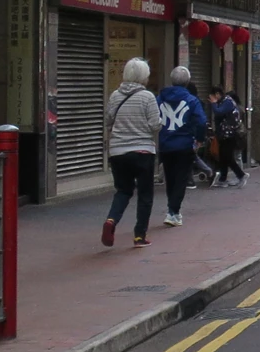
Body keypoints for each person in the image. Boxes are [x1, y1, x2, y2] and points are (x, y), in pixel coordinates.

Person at [102, 59, 160, 248]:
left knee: (123, 190)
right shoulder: (147, 97)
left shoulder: (115, 96)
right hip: (143, 151)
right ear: (144, 76)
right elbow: (154, 125)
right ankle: (139, 236)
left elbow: (108, 121)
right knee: (145, 194)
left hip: (118, 152)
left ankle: (111, 220)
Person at [156, 66, 209, 227]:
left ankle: (171, 209)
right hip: (184, 144)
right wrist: (199, 139)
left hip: (165, 144)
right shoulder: (192, 100)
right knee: (181, 179)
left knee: (170, 177)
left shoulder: (160, 98)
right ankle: (173, 212)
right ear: (187, 82)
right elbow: (201, 121)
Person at [209, 88, 248, 187]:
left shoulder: (228, 102)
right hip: (224, 134)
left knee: (228, 157)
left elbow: (219, 112)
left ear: (217, 94)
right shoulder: (224, 101)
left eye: (212, 97)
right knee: (223, 157)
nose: (211, 99)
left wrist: (213, 103)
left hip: (229, 134)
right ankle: (223, 179)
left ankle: (241, 175)